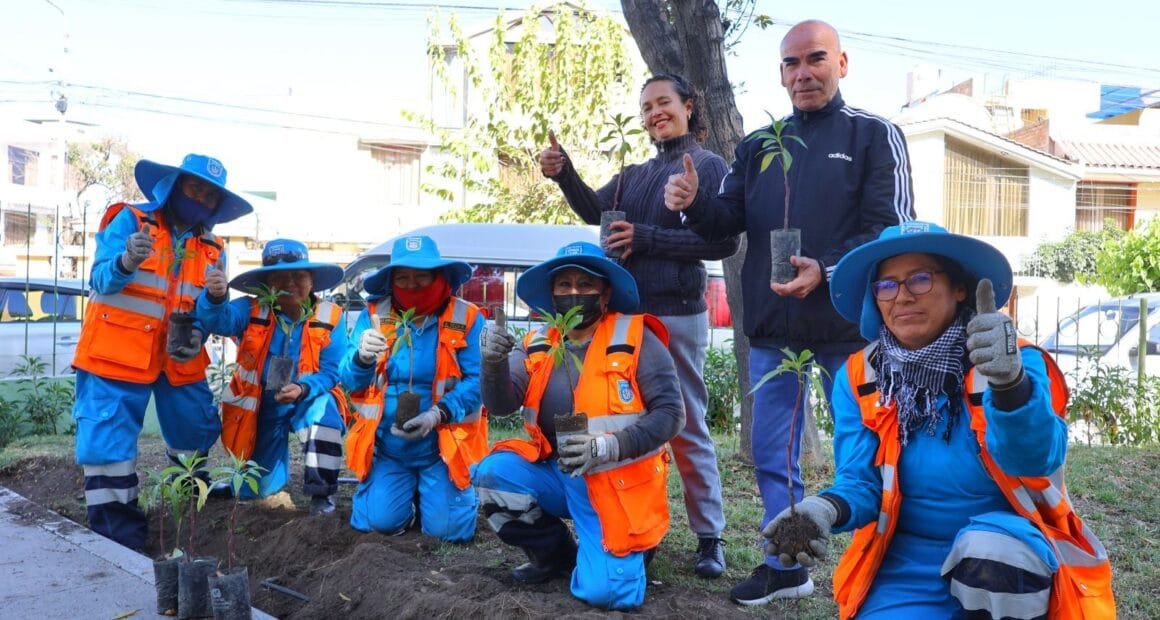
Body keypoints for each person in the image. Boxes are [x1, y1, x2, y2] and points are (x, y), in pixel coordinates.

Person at [664, 19, 915, 604]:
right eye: (791, 63)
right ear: (780, 73)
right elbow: (726, 223)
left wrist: (825, 270)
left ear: (842, 63)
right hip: (773, 332)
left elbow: (890, 227)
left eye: (815, 59)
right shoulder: (758, 145)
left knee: (870, 451)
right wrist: (694, 201)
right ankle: (787, 564)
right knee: (773, 453)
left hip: (851, 330)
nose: (803, 73)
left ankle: (884, 565)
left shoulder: (873, 136)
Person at [761, 221, 1116, 618]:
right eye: (887, 285)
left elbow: (1033, 461)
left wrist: (1010, 385)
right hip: (908, 561)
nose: (903, 296)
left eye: (921, 279)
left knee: (993, 556)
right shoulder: (862, 376)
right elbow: (861, 482)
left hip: (1008, 546)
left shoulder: (1012, 362)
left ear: (959, 288)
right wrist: (823, 509)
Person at [540, 73, 738, 578]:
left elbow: (722, 245)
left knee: (686, 422)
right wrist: (566, 175)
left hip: (676, 311)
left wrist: (647, 238)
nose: (655, 113)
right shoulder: (632, 173)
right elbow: (594, 210)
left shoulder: (710, 166)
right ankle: (629, 525)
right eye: (646, 106)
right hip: (623, 318)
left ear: (689, 107)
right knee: (620, 422)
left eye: (664, 102)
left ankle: (709, 536)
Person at [474, 241, 684, 611]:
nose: (575, 294)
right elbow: (502, 403)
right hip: (559, 471)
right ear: (552, 296)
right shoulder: (539, 342)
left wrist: (607, 447)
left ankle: (633, 547)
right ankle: (555, 554)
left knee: (606, 594)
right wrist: (492, 363)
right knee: (493, 475)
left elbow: (670, 414)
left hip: (616, 480)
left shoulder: (636, 337)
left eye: (586, 285)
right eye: (564, 286)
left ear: (605, 293)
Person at [72, 153, 253, 550]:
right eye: (195, 189)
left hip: (179, 356)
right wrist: (125, 260)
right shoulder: (130, 222)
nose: (201, 199)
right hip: (115, 355)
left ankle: (189, 509)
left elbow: (207, 312)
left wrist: (216, 302)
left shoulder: (211, 248)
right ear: (173, 185)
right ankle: (115, 536)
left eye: (210, 196)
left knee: (194, 431)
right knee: (108, 443)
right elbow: (101, 280)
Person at [343, 235, 487, 541]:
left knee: (449, 532)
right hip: (388, 447)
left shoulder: (467, 317)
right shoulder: (373, 316)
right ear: (391, 281)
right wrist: (361, 358)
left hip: (442, 448)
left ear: (440, 277)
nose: (412, 286)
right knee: (378, 522)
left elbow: (479, 381)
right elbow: (350, 381)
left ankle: (437, 497)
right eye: (403, 278)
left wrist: (438, 414)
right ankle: (402, 498)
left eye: (422, 277)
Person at [195, 239, 348, 515]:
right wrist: (215, 298)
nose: (290, 283)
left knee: (323, 412)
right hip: (262, 405)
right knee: (255, 491)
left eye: (298, 275)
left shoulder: (331, 316)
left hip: (306, 398)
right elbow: (218, 321)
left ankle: (322, 495)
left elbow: (331, 372)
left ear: (311, 280)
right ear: (266, 283)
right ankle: (241, 483)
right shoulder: (250, 309)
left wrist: (302, 388)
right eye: (279, 277)